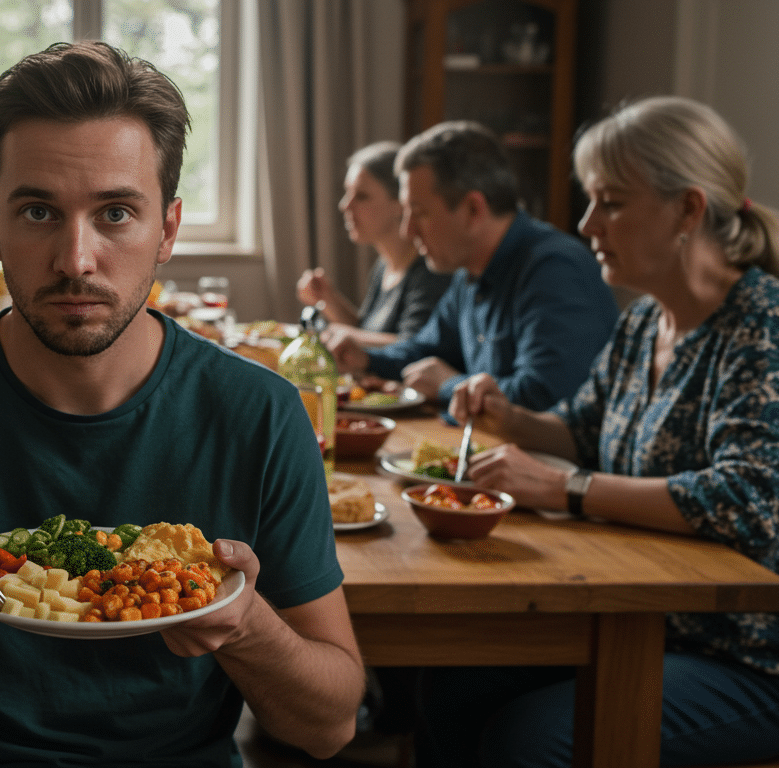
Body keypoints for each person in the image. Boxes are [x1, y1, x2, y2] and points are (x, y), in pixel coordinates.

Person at [0, 41, 364, 766]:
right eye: (38, 212)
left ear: (168, 231)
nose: (76, 260)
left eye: (116, 213)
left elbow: (330, 725)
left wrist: (244, 625)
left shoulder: (264, 414)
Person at [421, 96, 779, 767]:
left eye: (610, 202)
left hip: (750, 653)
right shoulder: (646, 322)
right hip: (647, 619)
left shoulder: (761, 327)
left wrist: (565, 488)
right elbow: (579, 429)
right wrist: (506, 414)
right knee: (452, 686)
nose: (586, 224)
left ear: (688, 210)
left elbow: (744, 497)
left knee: (530, 739)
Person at [325, 121, 618, 409]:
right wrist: (366, 358)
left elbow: (545, 396)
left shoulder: (554, 271)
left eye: (419, 213)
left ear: (473, 209)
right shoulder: (468, 271)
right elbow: (426, 348)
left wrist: (448, 385)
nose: (407, 231)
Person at [298, 141, 451, 349]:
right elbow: (367, 334)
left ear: (400, 203)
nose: (345, 206)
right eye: (347, 193)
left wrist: (333, 333)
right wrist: (328, 298)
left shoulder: (430, 269)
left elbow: (413, 348)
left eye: (361, 196)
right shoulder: (383, 265)